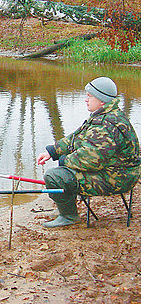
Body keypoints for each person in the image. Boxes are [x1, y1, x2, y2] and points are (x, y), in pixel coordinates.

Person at [36, 76, 140, 228]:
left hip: (119, 178)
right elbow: (77, 138)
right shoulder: (107, 115)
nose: (86, 99)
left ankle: (69, 216)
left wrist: (64, 160)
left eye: (90, 96)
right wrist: (53, 152)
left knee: (55, 176)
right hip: (119, 171)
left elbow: (91, 161)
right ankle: (65, 206)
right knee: (64, 169)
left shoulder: (105, 126)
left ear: (102, 100)